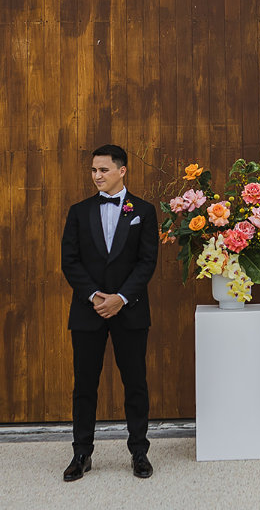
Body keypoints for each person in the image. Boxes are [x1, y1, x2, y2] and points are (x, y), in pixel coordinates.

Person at [60, 144, 159, 481]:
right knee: (85, 385)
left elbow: (147, 262)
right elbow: (69, 261)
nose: (96, 176)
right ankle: (81, 453)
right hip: (88, 312)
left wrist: (120, 297)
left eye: (103, 170)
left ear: (122, 170)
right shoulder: (79, 211)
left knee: (136, 383)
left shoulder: (143, 211)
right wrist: (93, 296)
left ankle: (140, 452)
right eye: (93, 170)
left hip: (129, 311)